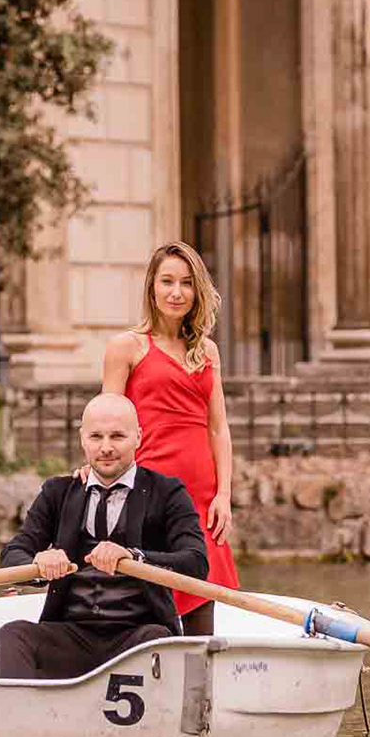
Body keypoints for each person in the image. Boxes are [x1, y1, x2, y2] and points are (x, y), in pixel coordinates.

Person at [0, 393, 209, 680]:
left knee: (156, 641)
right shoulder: (57, 492)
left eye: (117, 436)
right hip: (71, 635)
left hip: (138, 636)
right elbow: (11, 556)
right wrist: (40, 563)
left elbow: (196, 563)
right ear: (83, 439)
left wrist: (135, 557)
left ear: (138, 438)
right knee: (13, 635)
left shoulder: (167, 491)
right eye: (96, 437)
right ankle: (25, 722)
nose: (106, 447)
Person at [99, 241, 238, 637]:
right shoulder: (125, 347)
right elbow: (106, 419)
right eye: (167, 282)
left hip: (201, 494)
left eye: (187, 283)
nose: (177, 292)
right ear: (152, 287)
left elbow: (218, 428)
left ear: (197, 292)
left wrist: (224, 494)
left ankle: (200, 696)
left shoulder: (206, 351)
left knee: (200, 609)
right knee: (147, 598)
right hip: (149, 491)